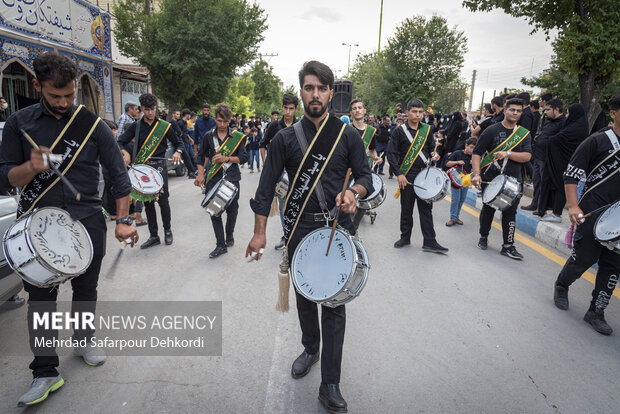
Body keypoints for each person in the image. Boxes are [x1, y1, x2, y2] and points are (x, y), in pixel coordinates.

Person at [0, 52, 137, 407]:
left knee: (86, 288)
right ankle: (45, 371)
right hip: (36, 223)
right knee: (41, 299)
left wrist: (123, 220)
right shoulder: (19, 123)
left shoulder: (92, 124)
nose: (63, 103)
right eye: (54, 95)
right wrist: (31, 167)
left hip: (86, 219)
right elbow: (6, 178)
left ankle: (84, 337)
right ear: (37, 86)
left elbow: (119, 177)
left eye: (69, 95)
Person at [247, 61, 373, 413]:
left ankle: (330, 382)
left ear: (332, 93)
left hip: (336, 227)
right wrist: (259, 233)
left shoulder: (348, 135)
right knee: (305, 297)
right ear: (301, 91)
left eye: (321, 88)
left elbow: (366, 176)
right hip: (299, 228)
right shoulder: (285, 138)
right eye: (309, 88)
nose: (315, 94)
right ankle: (310, 348)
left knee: (333, 304)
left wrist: (355, 193)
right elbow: (265, 187)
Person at [553, 92, 620, 335]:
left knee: (613, 267)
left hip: (619, 220)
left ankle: (596, 311)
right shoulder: (597, 141)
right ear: (613, 113)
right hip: (592, 212)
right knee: (582, 260)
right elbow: (571, 174)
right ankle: (562, 285)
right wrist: (573, 205)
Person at [117, 93, 183, 249]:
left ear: (156, 109)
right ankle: (154, 235)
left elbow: (178, 142)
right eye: (147, 110)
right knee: (148, 203)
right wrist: (124, 152)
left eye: (153, 109)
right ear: (142, 109)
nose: (150, 113)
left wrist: (177, 152)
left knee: (163, 201)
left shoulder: (164, 126)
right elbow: (119, 141)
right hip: (143, 168)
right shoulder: (136, 126)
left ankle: (168, 231)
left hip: (159, 166)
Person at [472, 98, 532, 259]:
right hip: (491, 177)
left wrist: (509, 153)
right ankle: (483, 236)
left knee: (510, 212)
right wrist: (477, 173)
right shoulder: (491, 130)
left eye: (519, 111)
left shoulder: (523, 134)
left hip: (514, 180)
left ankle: (508, 245)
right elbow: (477, 153)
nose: (515, 113)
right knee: (488, 208)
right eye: (512, 109)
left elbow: (527, 156)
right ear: (504, 110)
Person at [387, 99, 449, 253]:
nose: (418, 115)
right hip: (407, 176)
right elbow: (392, 154)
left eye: (421, 112)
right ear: (407, 112)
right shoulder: (399, 131)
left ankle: (430, 241)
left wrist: (434, 154)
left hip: (424, 175)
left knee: (426, 210)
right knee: (406, 209)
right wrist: (399, 174)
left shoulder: (427, 130)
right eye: (414, 111)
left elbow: (429, 149)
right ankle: (405, 237)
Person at [195, 103, 248, 258]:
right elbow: (202, 156)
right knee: (215, 212)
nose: (223, 125)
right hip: (214, 178)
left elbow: (244, 157)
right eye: (219, 121)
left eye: (225, 121)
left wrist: (227, 158)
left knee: (233, 211)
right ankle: (220, 245)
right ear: (215, 119)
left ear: (230, 119)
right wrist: (200, 173)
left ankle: (229, 234)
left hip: (231, 178)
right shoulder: (208, 136)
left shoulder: (237, 137)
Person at [538, 103, 589, 222]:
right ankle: (553, 212)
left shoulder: (575, 128)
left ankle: (556, 214)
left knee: (560, 186)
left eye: (568, 113)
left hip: (564, 163)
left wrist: (548, 140)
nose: (566, 115)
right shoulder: (578, 126)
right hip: (563, 161)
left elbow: (556, 140)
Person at [262, 93, 299, 250]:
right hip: (279, 174)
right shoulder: (273, 126)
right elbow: (262, 144)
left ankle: (296, 236)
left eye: (292, 109)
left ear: (296, 109)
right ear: (282, 108)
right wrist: (266, 165)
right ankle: (287, 236)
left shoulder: (302, 126)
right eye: (286, 108)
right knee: (284, 207)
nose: (288, 112)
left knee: (297, 205)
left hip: (297, 173)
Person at [521, 99, 565, 214]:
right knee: (537, 182)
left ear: (556, 109)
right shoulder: (549, 121)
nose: (545, 112)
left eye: (548, 109)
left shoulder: (563, 122)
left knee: (544, 185)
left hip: (548, 159)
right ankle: (534, 204)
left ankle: (542, 207)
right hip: (538, 156)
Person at [349, 98, 383, 234]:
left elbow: (372, 150)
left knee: (364, 201)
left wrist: (376, 157)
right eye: (354, 108)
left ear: (364, 111)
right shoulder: (346, 129)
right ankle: (345, 228)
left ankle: (353, 229)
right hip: (347, 171)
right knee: (347, 199)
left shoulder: (371, 131)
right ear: (351, 112)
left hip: (364, 171)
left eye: (359, 108)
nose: (357, 110)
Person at [445, 138, 476, 226]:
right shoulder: (457, 153)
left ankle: (456, 216)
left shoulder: (473, 157)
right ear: (466, 145)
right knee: (455, 200)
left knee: (461, 200)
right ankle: (452, 218)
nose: (472, 150)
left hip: (466, 181)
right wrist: (457, 162)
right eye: (471, 147)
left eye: (474, 148)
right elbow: (447, 163)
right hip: (456, 180)